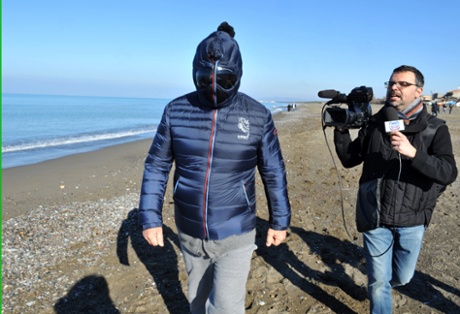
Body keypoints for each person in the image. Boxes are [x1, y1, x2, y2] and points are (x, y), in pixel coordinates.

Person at [138, 22, 291, 314]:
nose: (215, 87)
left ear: (238, 75)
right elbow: (157, 165)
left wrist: (279, 221)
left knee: (226, 306)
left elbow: (273, 171)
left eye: (225, 79)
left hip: (238, 229)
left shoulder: (257, 115)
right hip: (190, 227)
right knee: (197, 299)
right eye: (205, 78)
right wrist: (150, 218)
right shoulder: (176, 111)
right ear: (196, 73)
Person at [333, 65, 457, 313]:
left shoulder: (435, 128)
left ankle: (386, 281)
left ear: (419, 91)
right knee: (379, 282)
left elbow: (448, 172)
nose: (395, 88)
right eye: (391, 83)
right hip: (375, 214)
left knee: (403, 277)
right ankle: (378, 289)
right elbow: (349, 158)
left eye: (402, 84)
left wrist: (414, 154)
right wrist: (341, 128)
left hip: (412, 218)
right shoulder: (376, 123)